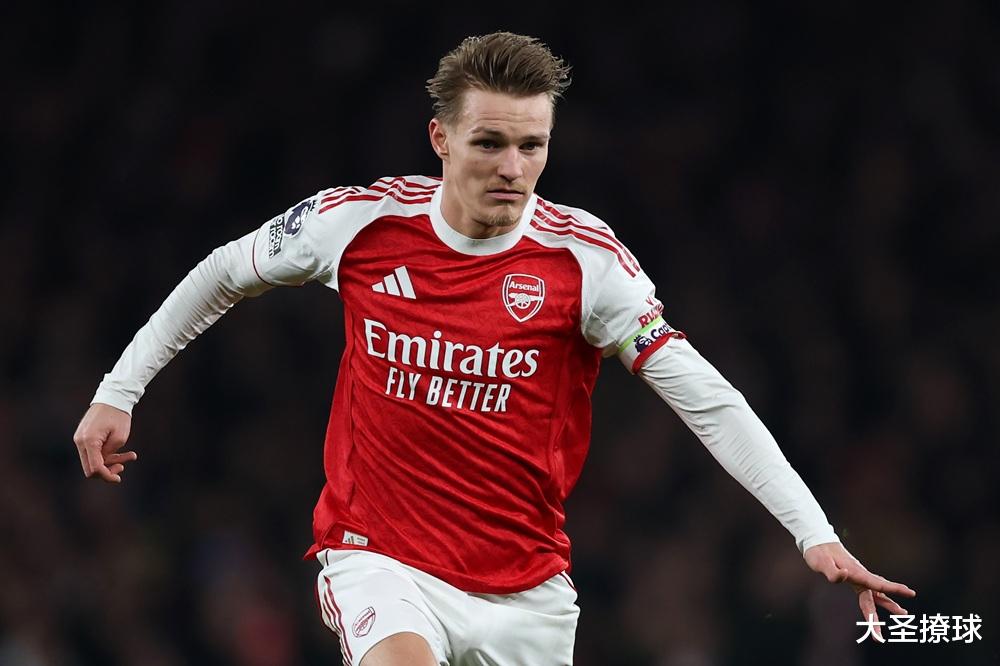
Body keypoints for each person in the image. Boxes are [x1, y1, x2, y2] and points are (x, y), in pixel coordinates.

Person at [73, 32, 915, 665]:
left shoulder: (584, 263)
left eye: (532, 145)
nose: (513, 166)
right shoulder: (359, 225)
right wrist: (120, 389)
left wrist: (812, 531)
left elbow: (706, 398)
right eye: (489, 143)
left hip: (527, 591)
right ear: (441, 139)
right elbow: (225, 272)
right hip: (380, 558)